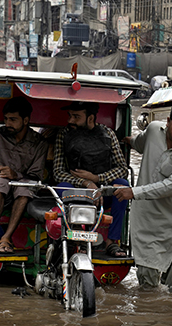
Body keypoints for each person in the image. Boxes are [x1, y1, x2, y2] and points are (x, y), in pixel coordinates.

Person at [114, 100, 172, 293]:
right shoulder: (153, 130)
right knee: (148, 285)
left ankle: (164, 321)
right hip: (146, 221)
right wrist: (122, 140)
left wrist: (134, 192)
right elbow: (138, 143)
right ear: (168, 121)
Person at [52, 101, 129, 257]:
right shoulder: (63, 134)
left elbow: (122, 169)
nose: (70, 121)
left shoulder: (109, 134)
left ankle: (112, 242)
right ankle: (75, 233)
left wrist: (97, 179)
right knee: (61, 186)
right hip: (76, 193)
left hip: (102, 194)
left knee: (123, 185)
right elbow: (58, 172)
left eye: (76, 117)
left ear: (90, 118)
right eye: (70, 116)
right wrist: (86, 183)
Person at [0, 97, 48, 253]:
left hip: (22, 188)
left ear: (26, 120)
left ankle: (6, 238)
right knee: (1, 182)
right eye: (6, 119)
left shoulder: (40, 143)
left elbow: (36, 175)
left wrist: (16, 174)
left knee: (25, 187)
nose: (7, 124)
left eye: (13, 120)